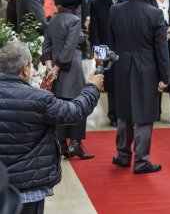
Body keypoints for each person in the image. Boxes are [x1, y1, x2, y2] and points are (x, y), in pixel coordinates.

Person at [0, 40, 102, 214]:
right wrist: (92, 88)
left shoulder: (38, 98)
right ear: (25, 68)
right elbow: (75, 112)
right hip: (28, 189)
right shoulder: (38, 99)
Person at [108, 0, 170, 174]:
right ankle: (141, 162)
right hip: (147, 68)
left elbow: (111, 43)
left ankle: (123, 155)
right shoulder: (154, 14)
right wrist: (165, 77)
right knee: (144, 116)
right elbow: (161, 49)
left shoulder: (115, 10)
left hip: (122, 66)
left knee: (124, 113)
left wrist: (106, 71)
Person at [41, 0, 94, 160]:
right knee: (80, 105)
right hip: (71, 69)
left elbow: (46, 45)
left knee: (60, 106)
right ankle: (76, 144)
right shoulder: (74, 20)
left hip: (55, 72)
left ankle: (63, 144)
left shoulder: (53, 19)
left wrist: (50, 67)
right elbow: (69, 48)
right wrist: (57, 68)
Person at [89, 0, 130, 128]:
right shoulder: (98, 2)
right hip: (107, 50)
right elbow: (95, 32)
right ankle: (113, 115)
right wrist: (98, 56)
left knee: (126, 83)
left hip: (127, 48)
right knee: (111, 83)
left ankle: (126, 113)